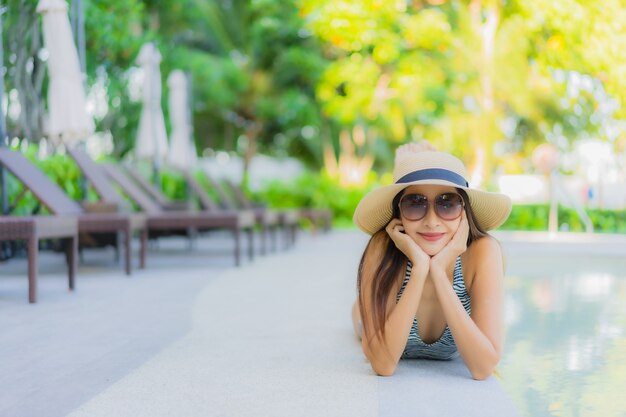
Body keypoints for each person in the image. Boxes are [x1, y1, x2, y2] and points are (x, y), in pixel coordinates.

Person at [351, 142, 511, 380]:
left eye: (447, 203)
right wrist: (419, 269)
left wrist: (438, 271)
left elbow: (483, 367)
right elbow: (383, 365)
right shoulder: (382, 248)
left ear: (465, 212)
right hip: (369, 313)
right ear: (397, 214)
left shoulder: (482, 252)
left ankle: (412, 177)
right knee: (360, 313)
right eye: (415, 203)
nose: (432, 221)